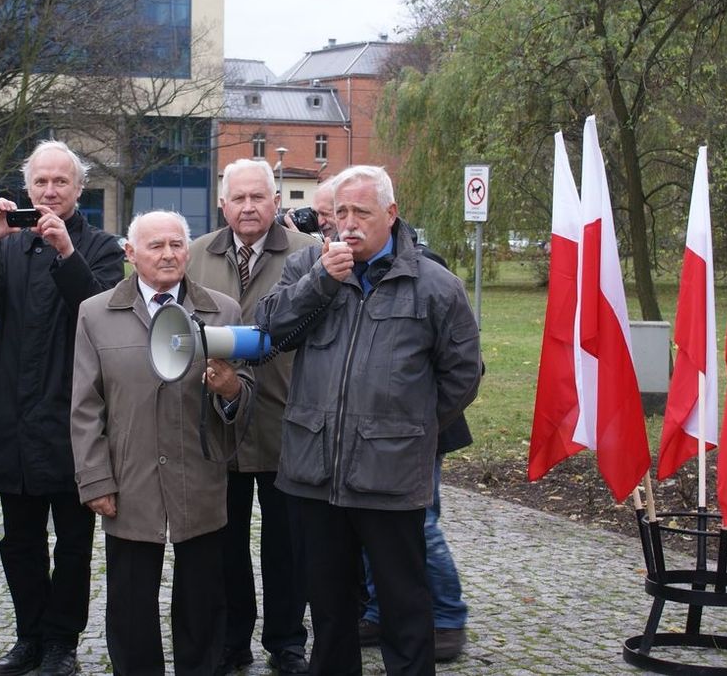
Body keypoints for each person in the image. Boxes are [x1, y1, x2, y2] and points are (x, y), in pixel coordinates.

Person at [256, 165, 482, 675]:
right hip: (314, 470)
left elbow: (463, 373)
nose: (349, 224)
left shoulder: (434, 285)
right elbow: (270, 331)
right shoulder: (308, 267)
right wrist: (320, 283)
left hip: (391, 471)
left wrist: (408, 424)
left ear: (391, 214)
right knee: (330, 607)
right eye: (340, 213)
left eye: (362, 212)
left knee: (404, 603)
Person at [0, 140, 125, 676]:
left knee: (74, 542)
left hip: (72, 410)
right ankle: (27, 634)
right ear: (26, 186)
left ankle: (62, 641)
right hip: (12, 410)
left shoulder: (99, 245)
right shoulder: (6, 242)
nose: (50, 192)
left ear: (79, 188)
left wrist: (65, 254)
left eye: (61, 182)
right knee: (20, 540)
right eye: (40, 183)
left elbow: (101, 313)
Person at [71, 210, 255, 676]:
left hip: (200, 474)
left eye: (177, 244)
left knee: (202, 599)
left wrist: (230, 389)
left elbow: (247, 398)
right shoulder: (95, 313)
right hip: (130, 475)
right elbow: (85, 406)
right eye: (156, 246)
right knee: (131, 602)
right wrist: (95, 479)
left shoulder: (223, 310)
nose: (169, 254)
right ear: (130, 254)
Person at [187, 159, 316, 675]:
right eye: (237, 199)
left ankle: (287, 641)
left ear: (276, 202)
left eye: (257, 198)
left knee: (286, 544)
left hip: (289, 419)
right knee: (224, 543)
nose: (247, 207)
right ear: (223, 204)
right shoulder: (196, 255)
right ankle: (231, 640)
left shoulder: (309, 254)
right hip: (221, 421)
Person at [360, 229, 474, 663]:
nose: (338, 225)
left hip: (418, 432)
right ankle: (376, 610)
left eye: (352, 213)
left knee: (420, 523)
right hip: (370, 430)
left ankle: (447, 617)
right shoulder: (340, 269)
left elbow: (462, 369)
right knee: (370, 519)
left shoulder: (428, 268)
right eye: (333, 216)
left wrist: (418, 422)